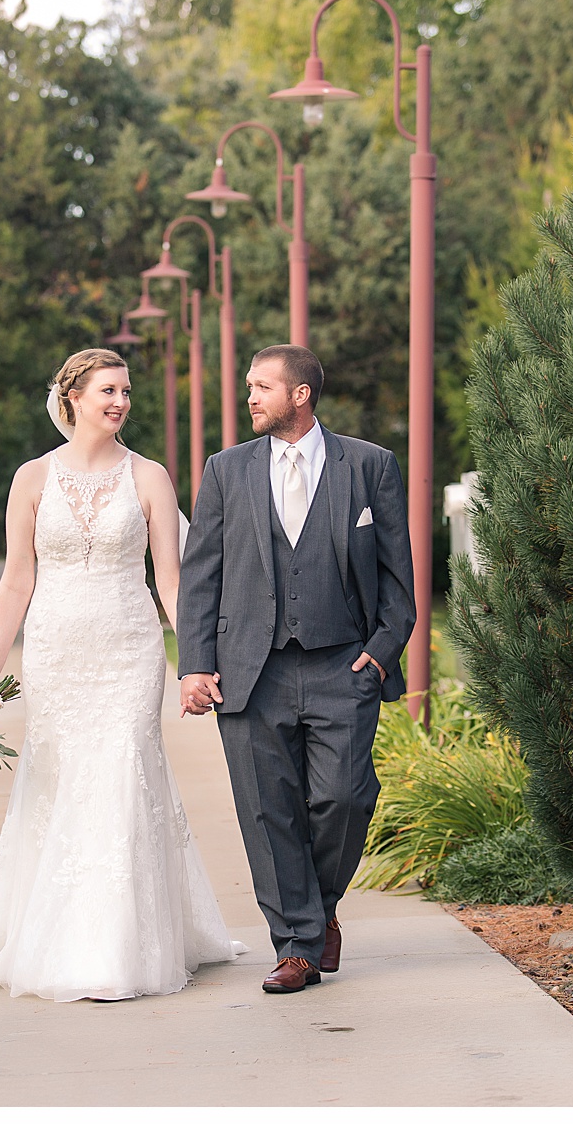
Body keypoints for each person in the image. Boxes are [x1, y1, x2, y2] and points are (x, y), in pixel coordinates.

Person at [0, 348, 244, 1001]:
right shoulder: (31, 479)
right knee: (63, 777)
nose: (121, 401)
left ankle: (120, 947)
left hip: (129, 646)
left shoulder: (149, 477)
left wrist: (197, 660)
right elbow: (16, 582)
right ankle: (58, 936)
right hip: (56, 650)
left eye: (126, 390)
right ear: (72, 397)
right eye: (108, 390)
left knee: (123, 767)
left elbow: (171, 583)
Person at [177, 344, 414, 995]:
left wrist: (381, 652)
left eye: (261, 387)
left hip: (346, 665)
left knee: (343, 798)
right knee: (267, 812)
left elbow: (399, 579)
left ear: (300, 394)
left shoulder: (368, 466)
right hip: (252, 672)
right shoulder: (227, 471)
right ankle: (298, 946)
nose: (249, 397)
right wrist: (194, 666)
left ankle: (317, 908)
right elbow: (202, 574)